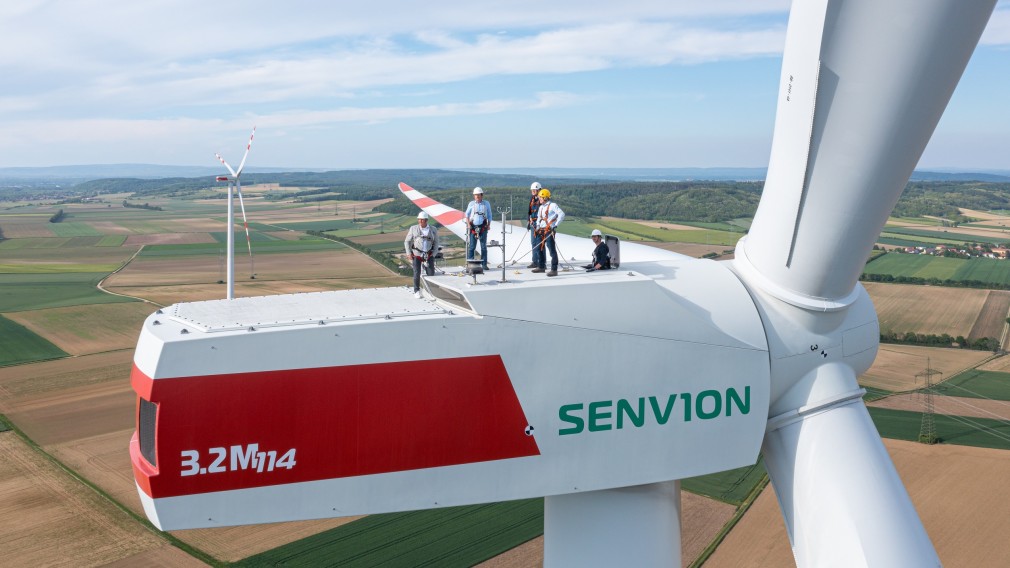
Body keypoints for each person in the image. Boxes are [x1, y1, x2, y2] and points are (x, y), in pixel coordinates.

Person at [404, 211, 439, 298]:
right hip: (417, 254)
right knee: (416, 272)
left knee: (431, 274)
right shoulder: (413, 228)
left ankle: (429, 290)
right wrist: (408, 253)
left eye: (421, 220)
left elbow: (436, 243)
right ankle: (416, 290)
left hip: (428, 254)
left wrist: (433, 254)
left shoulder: (433, 229)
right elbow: (407, 241)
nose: (419, 221)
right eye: (419, 220)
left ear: (426, 220)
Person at [532, 188, 565, 277]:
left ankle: (554, 270)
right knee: (539, 249)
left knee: (552, 250)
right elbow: (539, 218)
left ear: (545, 197)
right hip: (541, 230)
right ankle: (541, 266)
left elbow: (561, 214)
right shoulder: (541, 207)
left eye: (540, 197)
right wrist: (538, 226)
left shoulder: (553, 205)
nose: (539, 199)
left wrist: (555, 225)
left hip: (549, 230)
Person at [465, 187, 492, 270]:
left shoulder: (486, 204)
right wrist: (468, 224)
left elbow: (490, 215)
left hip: (483, 226)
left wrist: (488, 225)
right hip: (473, 227)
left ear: (481, 195)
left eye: (478, 195)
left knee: (483, 247)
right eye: (475, 195)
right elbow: (467, 215)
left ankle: (484, 264)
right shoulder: (471, 204)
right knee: (472, 247)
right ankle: (470, 264)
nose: (477, 197)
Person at [527, 182, 543, 269]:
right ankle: (534, 261)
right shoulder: (532, 198)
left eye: (534, 190)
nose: (533, 191)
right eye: (532, 190)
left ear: (538, 190)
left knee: (540, 243)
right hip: (533, 223)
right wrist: (528, 221)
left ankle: (541, 262)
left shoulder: (542, 200)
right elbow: (529, 211)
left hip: (540, 224)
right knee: (533, 243)